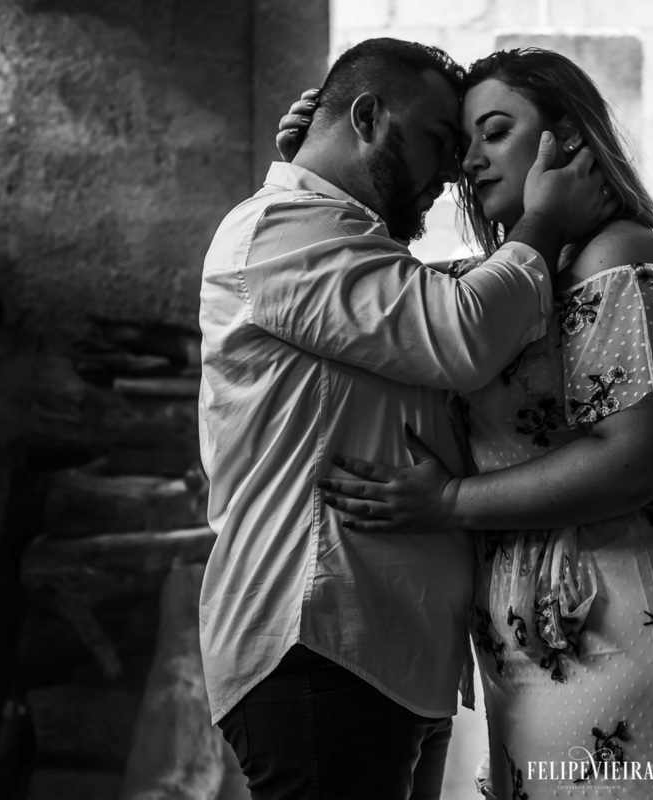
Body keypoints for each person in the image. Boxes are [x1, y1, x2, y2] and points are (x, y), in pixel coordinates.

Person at [282, 48, 653, 800]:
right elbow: (386, 304)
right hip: (560, 632)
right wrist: (320, 165)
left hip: (636, 611)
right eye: (461, 143)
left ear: (567, 141)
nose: (467, 163)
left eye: (494, 132)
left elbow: (639, 458)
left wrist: (449, 502)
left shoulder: (617, 257)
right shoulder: (522, 273)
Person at [200, 39, 613, 800]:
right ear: (366, 118)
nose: (456, 172)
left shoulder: (337, 238)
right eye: (441, 140)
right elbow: (462, 332)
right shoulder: (282, 230)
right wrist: (545, 223)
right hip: (322, 636)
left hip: (384, 645)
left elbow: (429, 308)